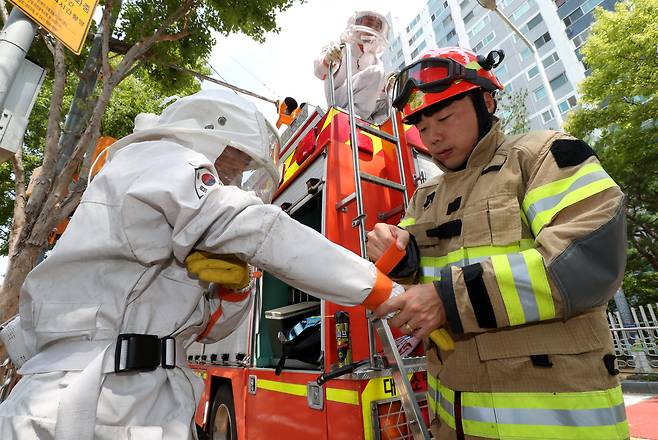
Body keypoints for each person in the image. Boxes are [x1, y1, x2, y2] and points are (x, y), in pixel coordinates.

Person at [0, 89, 404, 440]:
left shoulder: (166, 205)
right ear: (213, 136)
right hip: (91, 395)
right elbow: (259, 227)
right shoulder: (163, 159)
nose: (235, 178)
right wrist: (378, 288)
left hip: (131, 394)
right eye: (237, 164)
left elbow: (206, 332)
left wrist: (234, 291)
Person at [367, 47, 630, 439]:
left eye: (443, 116)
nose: (433, 135)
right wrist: (397, 256)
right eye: (421, 127)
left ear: (485, 101)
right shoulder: (424, 197)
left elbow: (587, 261)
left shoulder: (541, 155)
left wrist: (450, 299)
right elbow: (414, 290)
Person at [313, 10, 390, 123]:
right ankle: (350, 122)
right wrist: (328, 59)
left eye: (377, 25)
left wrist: (387, 86)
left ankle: (380, 133)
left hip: (365, 109)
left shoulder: (376, 61)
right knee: (377, 73)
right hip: (339, 103)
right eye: (369, 22)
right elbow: (319, 72)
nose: (373, 27)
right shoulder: (340, 46)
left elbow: (375, 93)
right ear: (357, 22)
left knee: (388, 100)